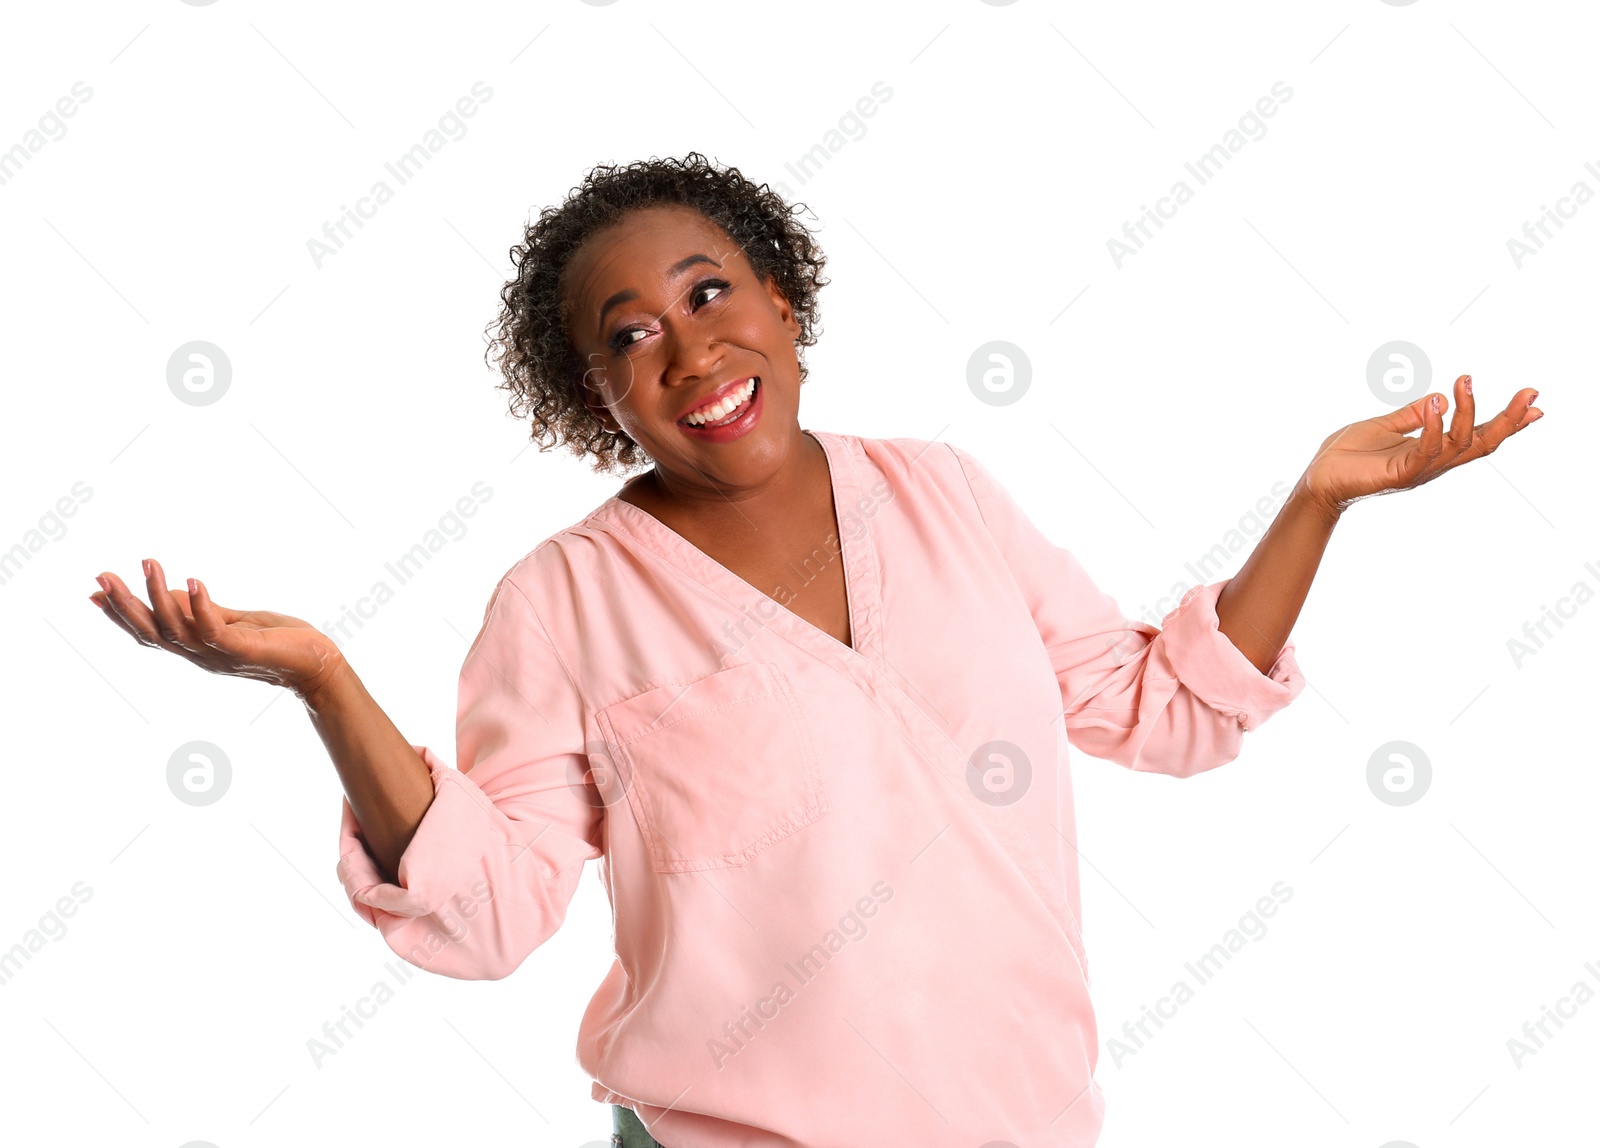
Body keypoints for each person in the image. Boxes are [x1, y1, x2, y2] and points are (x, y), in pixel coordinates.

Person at [87, 153, 1544, 1147]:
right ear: (598, 401)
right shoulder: (563, 602)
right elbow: (490, 911)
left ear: (784, 301)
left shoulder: (944, 495)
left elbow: (1159, 707)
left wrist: (1314, 506)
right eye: (630, 337)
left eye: (711, 292)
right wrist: (326, 682)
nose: (691, 351)